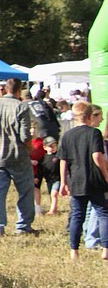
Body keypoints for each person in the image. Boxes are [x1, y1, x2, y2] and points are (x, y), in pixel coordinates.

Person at [0, 78, 37, 236]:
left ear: (5, 89)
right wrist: (31, 148)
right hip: (17, 155)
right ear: (19, 91)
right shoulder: (21, 107)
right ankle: (23, 226)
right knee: (25, 192)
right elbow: (25, 135)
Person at [58, 101, 108, 260]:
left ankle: (74, 251)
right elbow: (97, 156)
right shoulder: (94, 133)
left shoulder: (67, 135)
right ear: (88, 116)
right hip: (94, 179)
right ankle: (106, 250)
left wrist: (63, 182)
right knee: (103, 213)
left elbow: (63, 160)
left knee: (77, 216)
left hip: (76, 180)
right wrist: (106, 174)